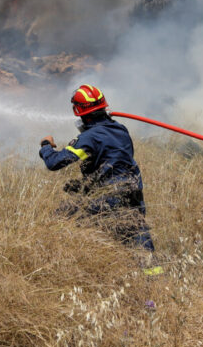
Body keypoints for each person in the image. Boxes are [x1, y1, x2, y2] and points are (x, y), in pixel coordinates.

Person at [39, 84, 157, 260]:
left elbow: (54, 163)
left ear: (78, 111)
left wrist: (46, 146)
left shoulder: (89, 138)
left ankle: (59, 260)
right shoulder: (120, 129)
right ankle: (153, 277)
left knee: (61, 219)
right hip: (133, 191)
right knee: (137, 236)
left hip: (109, 196)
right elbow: (113, 161)